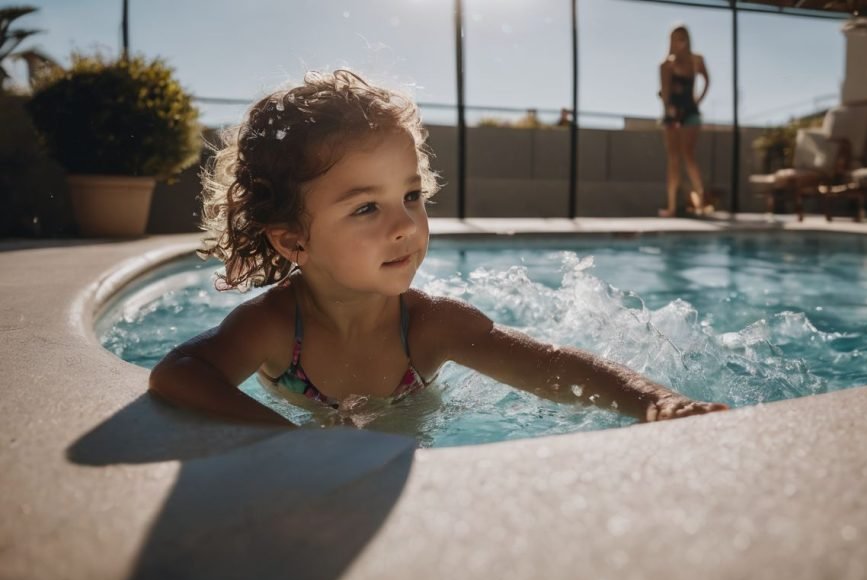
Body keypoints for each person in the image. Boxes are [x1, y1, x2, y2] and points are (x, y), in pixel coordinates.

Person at [148, 69, 728, 429]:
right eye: (365, 207)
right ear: (293, 238)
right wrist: (281, 437)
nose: (405, 225)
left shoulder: (429, 326)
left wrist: (657, 401)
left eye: (411, 195)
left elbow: (554, 367)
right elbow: (180, 372)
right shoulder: (275, 326)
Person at [658, 25, 710, 218]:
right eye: (674, 38)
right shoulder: (665, 65)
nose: (678, 42)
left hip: (691, 113)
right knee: (673, 159)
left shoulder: (697, 60)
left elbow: (707, 79)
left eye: (681, 38)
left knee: (688, 155)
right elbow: (664, 91)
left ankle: (702, 203)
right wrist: (668, 110)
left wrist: (699, 99)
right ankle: (671, 206)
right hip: (672, 114)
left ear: (687, 39)